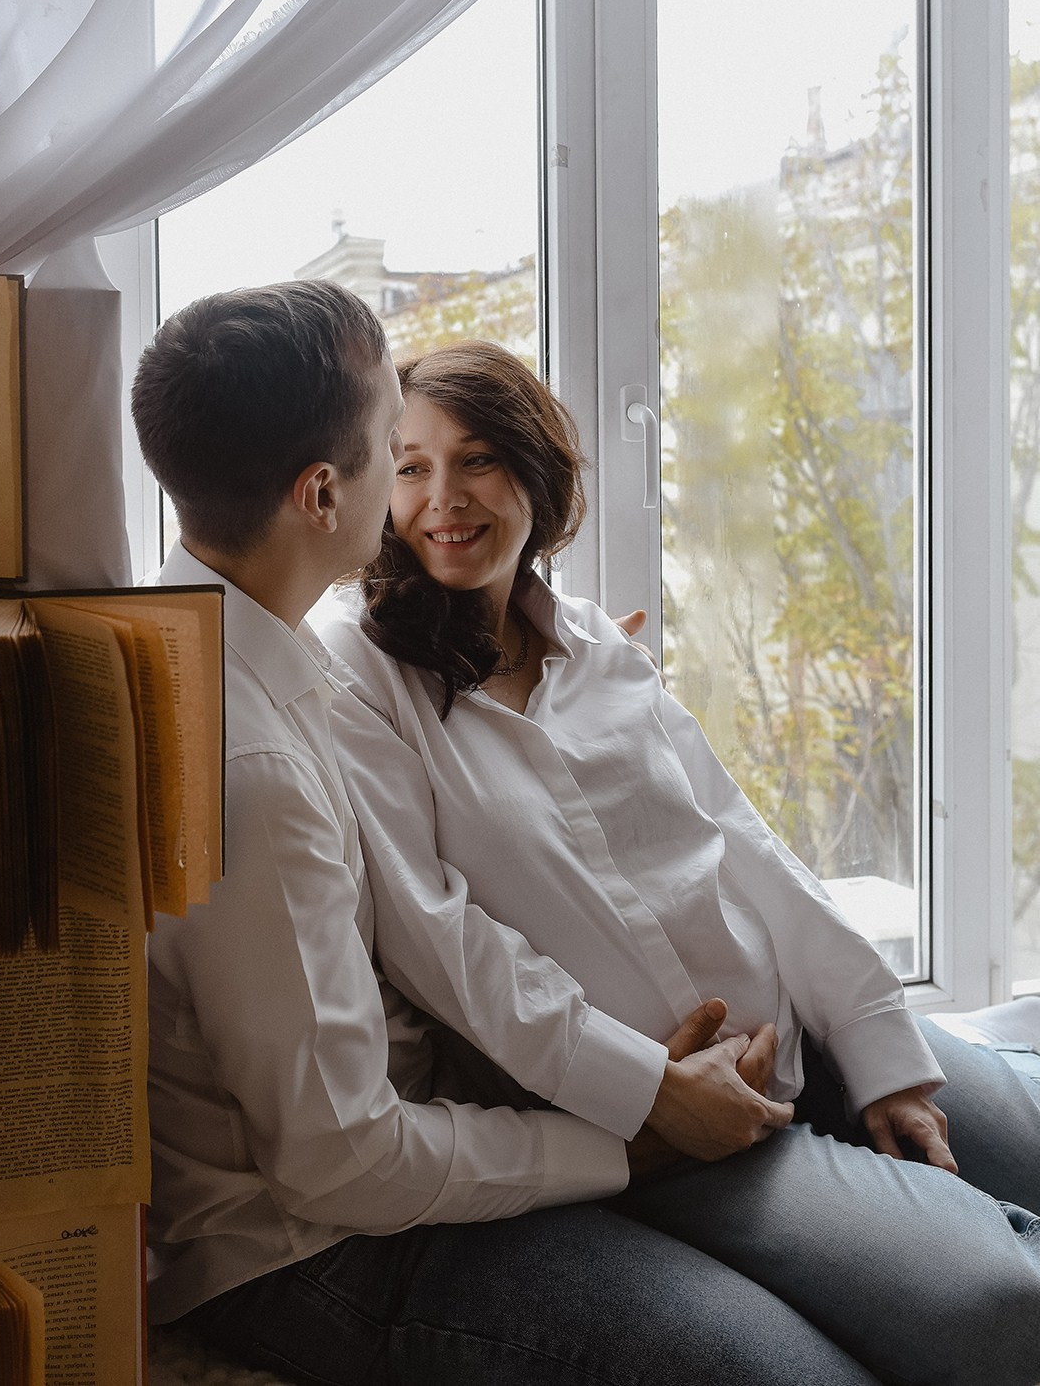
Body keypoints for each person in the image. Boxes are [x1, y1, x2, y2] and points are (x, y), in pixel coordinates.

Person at [130, 282, 881, 1386]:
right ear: (323, 492)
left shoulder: (221, 643)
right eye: (396, 444)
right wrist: (627, 1142)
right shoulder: (254, 763)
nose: (419, 478)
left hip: (394, 1162)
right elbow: (342, 1160)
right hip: (314, 1250)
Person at [322, 337, 1040, 1386]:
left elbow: (743, 841)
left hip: (806, 1033)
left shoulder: (589, 640)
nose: (444, 497)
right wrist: (653, 1089)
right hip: (666, 1125)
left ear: (534, 468)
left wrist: (878, 1042)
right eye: (411, 464)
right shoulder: (360, 672)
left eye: (475, 458)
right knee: (1001, 1307)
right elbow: (443, 940)